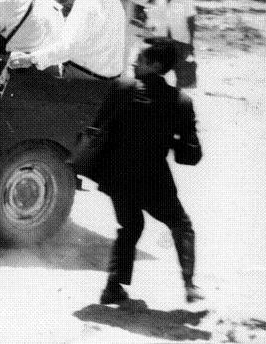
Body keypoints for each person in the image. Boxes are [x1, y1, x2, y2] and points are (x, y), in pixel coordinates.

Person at [78, 42, 204, 305]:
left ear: (156, 66)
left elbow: (96, 128)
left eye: (140, 60)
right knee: (181, 226)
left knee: (130, 226)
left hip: (116, 176)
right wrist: (171, 139)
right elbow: (190, 156)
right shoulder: (181, 101)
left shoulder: (121, 88)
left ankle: (113, 288)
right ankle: (190, 286)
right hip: (154, 180)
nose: (134, 64)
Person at [148, 0, 197, 88]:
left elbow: (191, 20)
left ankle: (178, 102)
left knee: (181, 76)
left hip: (179, 41)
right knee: (156, 73)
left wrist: (190, 44)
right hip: (161, 38)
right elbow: (156, 12)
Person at [113, 0, 150, 76]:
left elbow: (144, 0)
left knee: (128, 59)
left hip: (131, 27)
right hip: (116, 26)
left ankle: (124, 86)